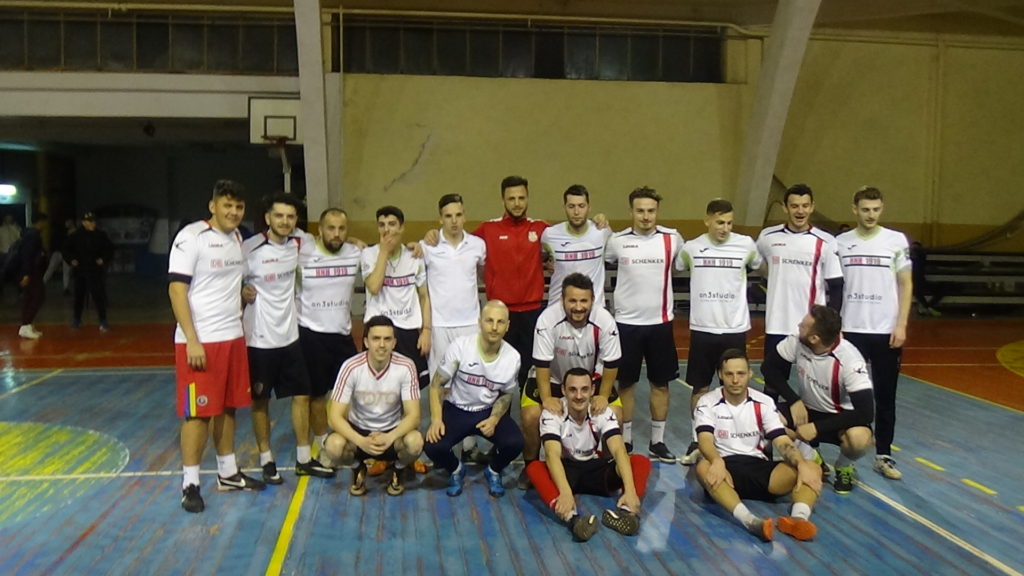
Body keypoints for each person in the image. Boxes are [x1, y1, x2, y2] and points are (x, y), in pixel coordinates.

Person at [169, 180, 266, 513]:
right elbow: (177, 291)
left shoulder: (237, 238)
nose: (233, 212)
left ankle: (228, 473)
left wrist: (243, 294)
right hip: (200, 342)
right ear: (213, 206)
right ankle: (190, 485)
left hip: (232, 337)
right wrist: (192, 339)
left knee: (228, 407)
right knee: (197, 414)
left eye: (238, 207)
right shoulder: (191, 237)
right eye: (227, 205)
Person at [241, 193, 334, 485]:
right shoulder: (249, 248)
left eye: (290, 216)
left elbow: (332, 243)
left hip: (291, 337)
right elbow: (231, 281)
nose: (284, 221)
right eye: (279, 215)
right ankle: (266, 460)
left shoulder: (300, 242)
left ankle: (304, 459)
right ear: (267, 218)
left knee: (302, 395)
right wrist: (243, 290)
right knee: (260, 402)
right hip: (259, 340)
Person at [693, 349, 822, 542]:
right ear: (720, 374)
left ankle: (798, 519)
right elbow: (705, 440)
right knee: (703, 466)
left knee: (811, 467)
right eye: (729, 374)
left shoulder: (764, 402)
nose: (735, 380)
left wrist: (801, 463)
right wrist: (717, 461)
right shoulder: (707, 402)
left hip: (761, 469)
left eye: (741, 374)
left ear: (750, 373)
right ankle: (750, 521)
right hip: (725, 471)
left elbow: (782, 441)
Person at [678, 199, 763, 465]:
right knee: (700, 387)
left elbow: (759, 265)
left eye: (729, 223)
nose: (724, 228)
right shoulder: (691, 248)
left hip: (734, 328)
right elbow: (678, 266)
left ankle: (737, 437)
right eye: (719, 222)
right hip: (703, 328)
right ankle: (697, 438)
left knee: (736, 386)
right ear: (707, 221)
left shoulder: (746, 245)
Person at [519, 272, 622, 489]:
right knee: (530, 416)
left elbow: (612, 363)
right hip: (552, 378)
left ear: (592, 300)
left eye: (584, 301)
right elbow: (542, 364)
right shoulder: (547, 319)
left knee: (616, 413)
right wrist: (547, 398)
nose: (578, 307)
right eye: (572, 301)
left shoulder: (605, 321)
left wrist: (603, 396)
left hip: (588, 381)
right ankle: (530, 467)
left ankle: (605, 465)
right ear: (562, 300)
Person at [604, 186, 685, 462]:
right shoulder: (617, 241)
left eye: (651, 211)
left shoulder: (673, 239)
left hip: (660, 324)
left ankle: (657, 442)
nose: (646, 216)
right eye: (640, 211)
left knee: (660, 384)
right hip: (626, 325)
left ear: (657, 211)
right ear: (631, 211)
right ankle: (625, 440)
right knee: (626, 384)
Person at [837, 186, 912, 481]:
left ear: (882, 209)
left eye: (876, 209)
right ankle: (847, 457)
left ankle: (884, 455)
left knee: (885, 395)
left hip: (885, 331)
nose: (871, 215)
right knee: (846, 396)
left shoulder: (896, 241)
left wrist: (901, 324)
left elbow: (906, 283)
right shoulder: (841, 243)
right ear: (854, 209)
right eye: (866, 209)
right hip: (850, 330)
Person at [526, 367, 652, 542]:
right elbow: (551, 454)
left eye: (584, 389)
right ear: (563, 390)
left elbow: (618, 450)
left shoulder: (601, 410)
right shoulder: (553, 412)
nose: (579, 396)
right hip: (567, 471)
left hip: (596, 469)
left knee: (640, 461)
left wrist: (630, 491)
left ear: (592, 390)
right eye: (572, 390)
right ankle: (573, 520)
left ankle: (628, 513)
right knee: (534, 468)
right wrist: (565, 493)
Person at [761, 305, 875, 493]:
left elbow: (866, 412)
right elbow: (768, 368)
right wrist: (794, 400)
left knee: (860, 439)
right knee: (766, 418)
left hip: (838, 418)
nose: (799, 326)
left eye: (804, 325)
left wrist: (816, 428)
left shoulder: (850, 361)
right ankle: (812, 456)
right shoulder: (797, 341)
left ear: (815, 338)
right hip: (806, 410)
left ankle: (844, 466)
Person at [423, 300, 524, 498]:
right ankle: (456, 469)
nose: (494, 327)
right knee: (432, 446)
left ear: (507, 326)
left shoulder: (513, 357)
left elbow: (506, 394)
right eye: (489, 321)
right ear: (480, 322)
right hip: (457, 409)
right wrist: (436, 419)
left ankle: (493, 470)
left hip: (487, 410)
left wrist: (494, 419)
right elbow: (436, 384)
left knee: (515, 443)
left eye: (500, 322)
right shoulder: (460, 347)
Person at [756, 184, 843, 399]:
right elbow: (756, 264)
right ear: (785, 208)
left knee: (817, 385)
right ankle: (773, 420)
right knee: (772, 382)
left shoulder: (826, 241)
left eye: (805, 206)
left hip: (813, 326)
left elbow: (836, 286)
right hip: (777, 324)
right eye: (794, 206)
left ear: (812, 207)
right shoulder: (767, 237)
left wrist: (832, 326)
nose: (800, 211)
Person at [420, 193, 488, 464]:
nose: (454, 221)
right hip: (439, 326)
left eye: (458, 215)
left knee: (469, 385)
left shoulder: (478, 245)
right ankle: (441, 441)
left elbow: (485, 274)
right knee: (440, 386)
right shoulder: (427, 246)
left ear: (464, 216)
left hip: (471, 324)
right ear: (440, 219)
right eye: (448, 216)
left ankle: (469, 445)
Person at [323, 315, 424, 496]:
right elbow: (334, 417)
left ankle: (398, 469)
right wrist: (361, 440)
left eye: (387, 339)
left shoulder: (406, 366)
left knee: (415, 442)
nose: (382, 345)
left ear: (394, 343)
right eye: (376, 338)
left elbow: (414, 416)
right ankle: (357, 468)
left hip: (392, 433)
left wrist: (390, 437)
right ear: (366, 342)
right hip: (359, 433)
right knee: (333, 446)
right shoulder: (351, 367)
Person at [295, 207, 362, 465]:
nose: (336, 233)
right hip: (311, 335)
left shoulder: (355, 253)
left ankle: (352, 441)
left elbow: (384, 253)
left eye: (342, 228)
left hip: (342, 336)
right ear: (320, 230)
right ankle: (323, 444)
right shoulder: (302, 254)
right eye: (331, 228)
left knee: (353, 393)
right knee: (316, 395)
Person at [470, 176, 549, 388]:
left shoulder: (541, 228)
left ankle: (529, 410)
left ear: (528, 198)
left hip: (533, 313)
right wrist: (433, 236)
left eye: (521, 198)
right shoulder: (488, 229)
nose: (517, 203)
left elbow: (571, 235)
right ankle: (497, 410)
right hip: (500, 315)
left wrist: (598, 222)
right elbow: (458, 243)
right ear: (503, 200)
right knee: (497, 371)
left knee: (530, 373)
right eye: (511, 198)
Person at [361, 205, 431, 390]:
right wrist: (384, 252)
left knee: (410, 387)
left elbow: (424, 296)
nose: (387, 230)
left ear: (401, 228)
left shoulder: (414, 256)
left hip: (408, 330)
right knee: (377, 386)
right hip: (378, 329)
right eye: (382, 225)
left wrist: (426, 330)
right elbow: (374, 287)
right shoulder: (368, 254)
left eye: (392, 224)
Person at [542, 184, 612, 307]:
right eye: (571, 206)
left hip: (594, 309)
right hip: (558, 308)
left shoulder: (602, 231)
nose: (576, 212)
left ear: (589, 208)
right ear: (564, 208)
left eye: (581, 206)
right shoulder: (549, 235)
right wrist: (546, 263)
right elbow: (536, 258)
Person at [63, 211, 114, 331]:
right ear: (84, 223)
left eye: (93, 221)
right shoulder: (76, 236)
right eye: (90, 221)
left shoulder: (100, 235)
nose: (92, 224)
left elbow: (110, 249)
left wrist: (103, 259)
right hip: (80, 270)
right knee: (79, 296)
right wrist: (71, 260)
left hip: (95, 270)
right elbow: (65, 250)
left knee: (98, 295)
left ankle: (103, 320)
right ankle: (77, 319)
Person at [17, 212, 48, 340]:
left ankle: (27, 324)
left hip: (30, 271)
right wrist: (26, 273)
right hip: (32, 272)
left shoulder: (28, 234)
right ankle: (26, 325)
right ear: (41, 221)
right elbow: (28, 255)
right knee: (37, 296)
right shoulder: (33, 235)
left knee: (29, 297)